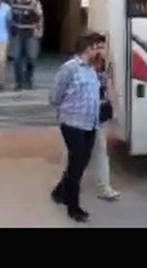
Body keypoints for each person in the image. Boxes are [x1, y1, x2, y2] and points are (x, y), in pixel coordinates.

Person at [49, 33, 106, 223]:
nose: (99, 51)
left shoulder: (92, 69)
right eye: (96, 47)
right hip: (73, 123)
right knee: (76, 165)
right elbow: (55, 96)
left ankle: (59, 192)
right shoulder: (69, 69)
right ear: (87, 48)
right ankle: (73, 208)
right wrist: (67, 109)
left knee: (81, 163)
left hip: (91, 123)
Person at [59, 51, 121, 201]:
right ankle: (70, 185)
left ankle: (100, 186)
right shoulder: (78, 68)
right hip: (82, 116)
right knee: (81, 153)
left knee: (96, 151)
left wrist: (115, 110)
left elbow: (110, 88)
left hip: (97, 116)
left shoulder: (103, 67)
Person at [11, 0, 43, 90]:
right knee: (16, 58)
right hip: (17, 32)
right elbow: (8, 16)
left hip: (31, 32)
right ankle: (18, 82)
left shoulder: (35, 2)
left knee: (31, 57)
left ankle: (28, 79)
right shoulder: (13, 1)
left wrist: (40, 31)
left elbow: (40, 17)